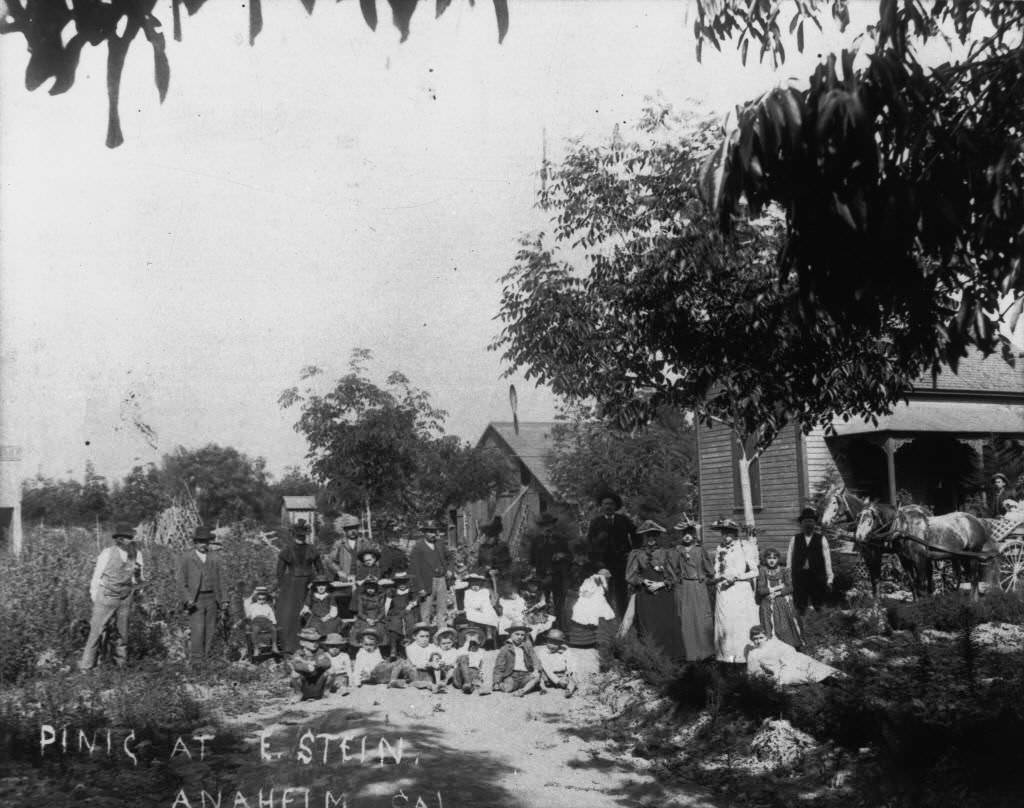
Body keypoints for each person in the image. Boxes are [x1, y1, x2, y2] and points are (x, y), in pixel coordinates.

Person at [79, 522, 144, 671]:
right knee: (96, 632)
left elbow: (139, 579)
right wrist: (96, 597)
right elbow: (97, 576)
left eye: (130, 538)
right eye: (124, 538)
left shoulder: (136, 554)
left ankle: (120, 666)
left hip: (125, 597)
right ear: (118, 539)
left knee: (122, 633)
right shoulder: (107, 553)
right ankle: (87, 667)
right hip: (106, 595)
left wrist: (137, 578)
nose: (127, 540)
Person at [626, 520, 684, 659]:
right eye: (648, 536)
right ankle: (650, 658)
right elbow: (630, 575)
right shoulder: (637, 554)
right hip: (645, 595)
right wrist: (644, 581)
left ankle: (669, 658)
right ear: (644, 537)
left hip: (664, 594)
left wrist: (661, 584)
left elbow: (675, 576)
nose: (651, 539)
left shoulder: (667, 553)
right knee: (648, 625)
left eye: (653, 536)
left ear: (658, 537)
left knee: (665, 624)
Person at [178, 525, 230, 665]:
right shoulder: (187, 557)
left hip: (212, 598)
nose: (203, 544)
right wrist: (187, 598)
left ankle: (206, 660)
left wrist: (224, 599)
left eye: (206, 542)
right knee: (198, 630)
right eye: (200, 542)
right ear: (195, 542)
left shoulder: (215, 557)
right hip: (196, 600)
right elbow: (181, 580)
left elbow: (222, 579)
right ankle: (196, 662)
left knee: (210, 631)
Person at [666, 518, 715, 662]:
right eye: (684, 534)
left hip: (699, 587)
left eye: (689, 533)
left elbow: (710, 570)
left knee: (702, 618)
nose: (687, 536)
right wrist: (676, 578)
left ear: (694, 535)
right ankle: (690, 654)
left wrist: (703, 575)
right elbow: (671, 568)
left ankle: (707, 652)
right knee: (686, 618)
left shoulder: (700, 550)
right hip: (684, 587)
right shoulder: (677, 550)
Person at [713, 520, 760, 664]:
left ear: (735, 533)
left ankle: (743, 658)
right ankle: (726, 658)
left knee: (739, 624)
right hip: (724, 591)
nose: (725, 536)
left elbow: (755, 571)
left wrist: (737, 577)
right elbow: (716, 571)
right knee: (725, 624)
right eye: (723, 532)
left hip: (740, 590)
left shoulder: (745, 546)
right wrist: (720, 577)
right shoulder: (719, 548)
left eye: (729, 532)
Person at [586, 492, 637, 617]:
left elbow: (637, 534)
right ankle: (606, 623)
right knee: (603, 593)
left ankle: (623, 624)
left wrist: (632, 552)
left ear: (615, 506)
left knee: (622, 594)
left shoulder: (623, 520)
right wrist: (596, 562)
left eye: (611, 504)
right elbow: (590, 544)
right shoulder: (596, 522)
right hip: (603, 565)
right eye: (605, 504)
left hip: (621, 563)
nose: (608, 506)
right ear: (601, 506)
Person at [277, 520, 324, 653]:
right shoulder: (287, 550)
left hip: (310, 584)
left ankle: (313, 643)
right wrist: (284, 588)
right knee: (292, 615)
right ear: (293, 535)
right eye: (298, 534)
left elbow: (320, 569)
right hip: (292, 587)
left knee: (313, 610)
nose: (301, 537)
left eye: (303, 534)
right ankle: (292, 646)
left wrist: (318, 583)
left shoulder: (312, 549)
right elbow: (279, 572)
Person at [745, 625, 840, 685]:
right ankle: (828, 681)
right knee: (799, 676)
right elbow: (753, 671)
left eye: (761, 637)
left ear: (766, 637)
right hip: (781, 670)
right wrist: (765, 677)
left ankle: (842, 679)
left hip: (793, 660)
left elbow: (789, 651)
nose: (758, 641)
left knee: (817, 667)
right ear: (752, 640)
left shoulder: (774, 643)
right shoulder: (753, 653)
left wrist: (788, 661)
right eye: (755, 639)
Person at [528, 512, 572, 628]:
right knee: (542, 604)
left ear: (553, 525)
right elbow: (532, 560)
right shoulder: (536, 541)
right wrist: (533, 574)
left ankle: (559, 629)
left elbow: (570, 557)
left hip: (557, 576)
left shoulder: (560, 540)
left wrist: (562, 555)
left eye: (550, 525)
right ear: (541, 526)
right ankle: (543, 630)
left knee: (559, 604)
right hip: (541, 577)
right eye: (544, 525)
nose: (547, 527)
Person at [786, 508, 833, 614]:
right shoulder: (795, 539)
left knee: (819, 604)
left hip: (817, 577)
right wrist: (788, 575)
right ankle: (800, 626)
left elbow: (827, 560)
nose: (808, 524)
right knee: (799, 604)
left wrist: (830, 578)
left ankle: (819, 625)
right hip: (799, 576)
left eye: (811, 521)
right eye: (805, 521)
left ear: (814, 523)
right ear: (801, 523)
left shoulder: (821, 539)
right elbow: (789, 558)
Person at [755, 548, 803, 649]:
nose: (772, 560)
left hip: (782, 600)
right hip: (767, 602)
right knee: (768, 626)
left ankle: (790, 649)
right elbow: (761, 590)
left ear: (778, 559)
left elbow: (790, 587)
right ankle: (772, 650)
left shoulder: (784, 570)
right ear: (765, 559)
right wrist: (777, 587)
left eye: (774, 558)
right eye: (769, 558)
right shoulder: (762, 570)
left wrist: (777, 593)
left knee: (784, 628)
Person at [409, 519, 450, 627]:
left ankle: (442, 634)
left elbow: (450, 557)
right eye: (430, 531)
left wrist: (450, 570)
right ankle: (425, 635)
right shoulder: (418, 547)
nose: (433, 534)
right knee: (426, 611)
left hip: (441, 579)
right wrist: (420, 587)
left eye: (434, 531)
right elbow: (415, 570)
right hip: (427, 581)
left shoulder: (440, 544)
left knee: (442, 609)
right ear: (424, 533)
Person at [351, 629, 422, 689]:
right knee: (397, 664)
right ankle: (393, 681)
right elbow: (358, 668)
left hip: (379, 672)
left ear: (376, 644)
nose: (368, 647)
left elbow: (378, 662)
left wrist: (385, 662)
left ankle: (411, 680)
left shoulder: (376, 651)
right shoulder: (361, 654)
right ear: (361, 644)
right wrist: (357, 682)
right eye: (366, 644)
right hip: (371, 675)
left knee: (400, 662)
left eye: (371, 645)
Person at [492, 624, 542, 696]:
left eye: (522, 635)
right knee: (508, 688)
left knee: (536, 677)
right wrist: (496, 681)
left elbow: (535, 659)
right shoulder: (505, 649)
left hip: (525, 674)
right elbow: (499, 666)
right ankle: (523, 687)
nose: (520, 637)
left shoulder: (527, 647)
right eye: (517, 634)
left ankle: (522, 691)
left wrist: (536, 670)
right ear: (511, 635)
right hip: (512, 675)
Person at [289, 627, 332, 701]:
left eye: (317, 641)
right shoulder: (299, 653)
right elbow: (296, 665)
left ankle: (326, 691)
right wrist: (307, 667)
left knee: (331, 670)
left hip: (318, 681)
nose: (315, 643)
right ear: (302, 642)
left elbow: (327, 662)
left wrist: (315, 663)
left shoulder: (320, 652)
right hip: (305, 683)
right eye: (311, 641)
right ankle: (298, 694)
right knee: (294, 673)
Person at [535, 629, 578, 697]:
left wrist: (568, 673)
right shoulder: (542, 652)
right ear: (546, 641)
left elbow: (570, 664)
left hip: (562, 674)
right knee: (539, 672)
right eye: (550, 642)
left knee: (573, 677)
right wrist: (558, 681)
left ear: (561, 643)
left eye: (555, 643)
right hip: (548, 675)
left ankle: (569, 690)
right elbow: (547, 668)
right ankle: (544, 685)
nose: (552, 645)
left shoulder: (566, 650)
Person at [384, 571, 418, 659]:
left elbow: (415, 600)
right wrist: (385, 613)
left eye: (404, 582)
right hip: (396, 612)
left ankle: (409, 647)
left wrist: (409, 606)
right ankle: (393, 648)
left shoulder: (410, 591)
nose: (402, 585)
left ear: (408, 582)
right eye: (399, 583)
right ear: (396, 583)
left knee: (410, 622)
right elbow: (387, 603)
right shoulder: (392, 591)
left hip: (407, 611)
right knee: (394, 624)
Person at [348, 577, 387, 647]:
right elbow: (360, 611)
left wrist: (376, 620)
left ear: (375, 588)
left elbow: (382, 611)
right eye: (368, 588)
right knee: (360, 628)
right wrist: (367, 619)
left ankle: (379, 646)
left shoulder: (380, 596)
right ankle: (361, 645)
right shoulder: (361, 596)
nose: (370, 590)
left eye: (372, 588)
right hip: (365, 617)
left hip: (377, 617)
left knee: (381, 628)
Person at [463, 572, 500, 645]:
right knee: (471, 615)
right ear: (470, 584)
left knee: (489, 613)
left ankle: (489, 633)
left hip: (484, 609)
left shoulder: (484, 591)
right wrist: (475, 607)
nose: (475, 586)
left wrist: (482, 607)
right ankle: (473, 635)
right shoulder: (468, 592)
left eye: (477, 584)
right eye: (473, 584)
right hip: (472, 610)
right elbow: (467, 603)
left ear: (480, 583)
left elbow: (486, 602)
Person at [475, 516, 512, 588]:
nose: (486, 538)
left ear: (495, 537)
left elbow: (507, 565)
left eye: (490, 537)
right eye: (486, 536)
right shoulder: (482, 548)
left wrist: (497, 570)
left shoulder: (502, 547)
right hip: (484, 580)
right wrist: (483, 569)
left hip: (499, 580)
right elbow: (479, 564)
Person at [242, 585, 279, 657]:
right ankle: (256, 648)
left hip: (266, 621)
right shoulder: (252, 605)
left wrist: (274, 622)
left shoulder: (267, 606)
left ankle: (274, 646)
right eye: (259, 599)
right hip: (256, 621)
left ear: (265, 599)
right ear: (256, 598)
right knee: (255, 631)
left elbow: (271, 615)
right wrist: (247, 619)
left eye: (263, 599)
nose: (261, 600)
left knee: (273, 629)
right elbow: (248, 614)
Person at [453, 627, 491, 695]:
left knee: (475, 672)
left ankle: (472, 687)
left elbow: (482, 666)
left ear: (479, 641)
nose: (471, 639)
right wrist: (466, 646)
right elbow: (456, 662)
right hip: (460, 675)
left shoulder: (481, 652)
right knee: (463, 657)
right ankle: (468, 682)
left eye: (474, 636)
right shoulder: (461, 650)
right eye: (469, 637)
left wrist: (481, 675)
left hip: (473, 674)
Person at [405, 622, 443, 689]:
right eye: (422, 636)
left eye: (427, 636)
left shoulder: (432, 646)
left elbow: (439, 656)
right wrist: (429, 664)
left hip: (428, 671)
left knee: (429, 677)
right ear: (414, 636)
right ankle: (420, 683)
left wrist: (440, 662)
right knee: (414, 672)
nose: (425, 639)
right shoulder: (410, 648)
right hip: (416, 670)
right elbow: (415, 663)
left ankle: (436, 683)